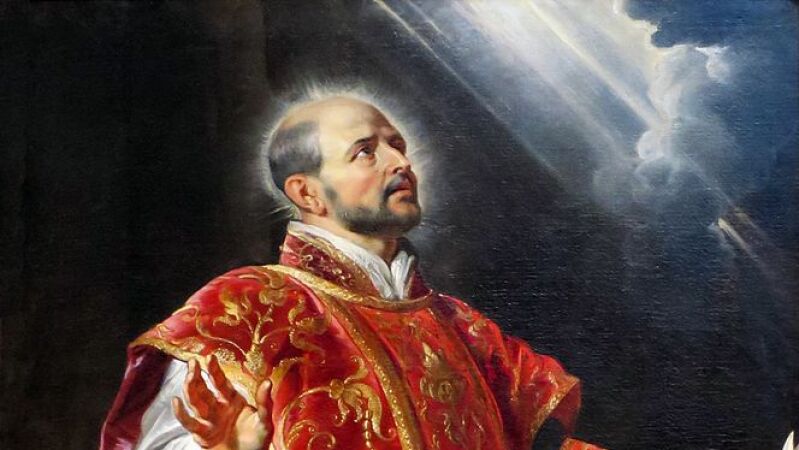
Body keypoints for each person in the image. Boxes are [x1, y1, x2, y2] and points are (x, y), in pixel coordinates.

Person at [100, 95, 603, 450]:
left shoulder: (467, 329)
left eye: (397, 145)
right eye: (366, 151)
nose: (399, 161)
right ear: (308, 193)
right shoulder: (241, 309)